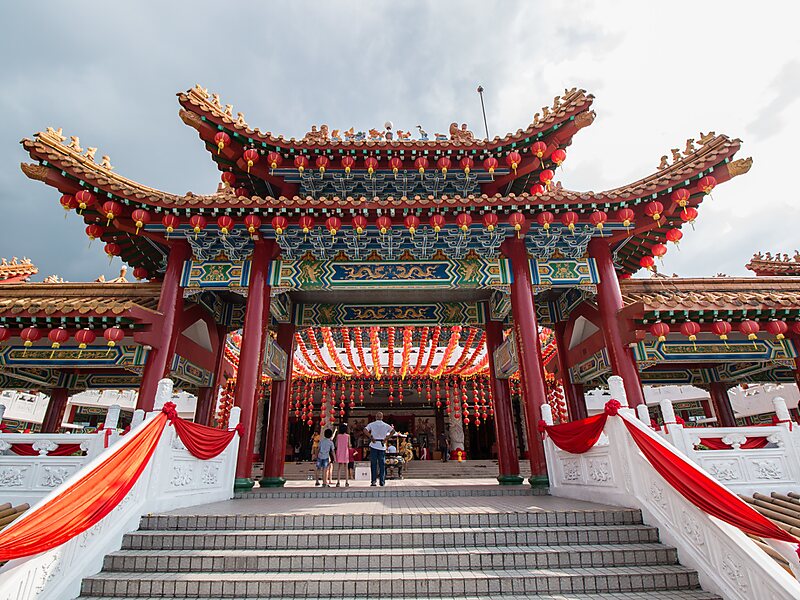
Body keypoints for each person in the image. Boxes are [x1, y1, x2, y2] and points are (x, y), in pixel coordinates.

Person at [364, 412, 394, 486]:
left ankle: (373, 481)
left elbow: (365, 430)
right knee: (382, 464)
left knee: (373, 464)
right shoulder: (385, 425)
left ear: (376, 417)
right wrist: (386, 438)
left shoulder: (372, 424)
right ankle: (382, 481)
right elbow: (393, 431)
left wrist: (371, 437)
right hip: (382, 445)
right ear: (382, 417)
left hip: (374, 444)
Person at [334, 423, 351, 487]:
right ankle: (346, 482)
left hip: (339, 452)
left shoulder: (338, 436)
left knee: (339, 468)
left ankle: (338, 482)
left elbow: (336, 444)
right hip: (345, 452)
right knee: (346, 468)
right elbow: (349, 445)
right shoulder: (348, 436)